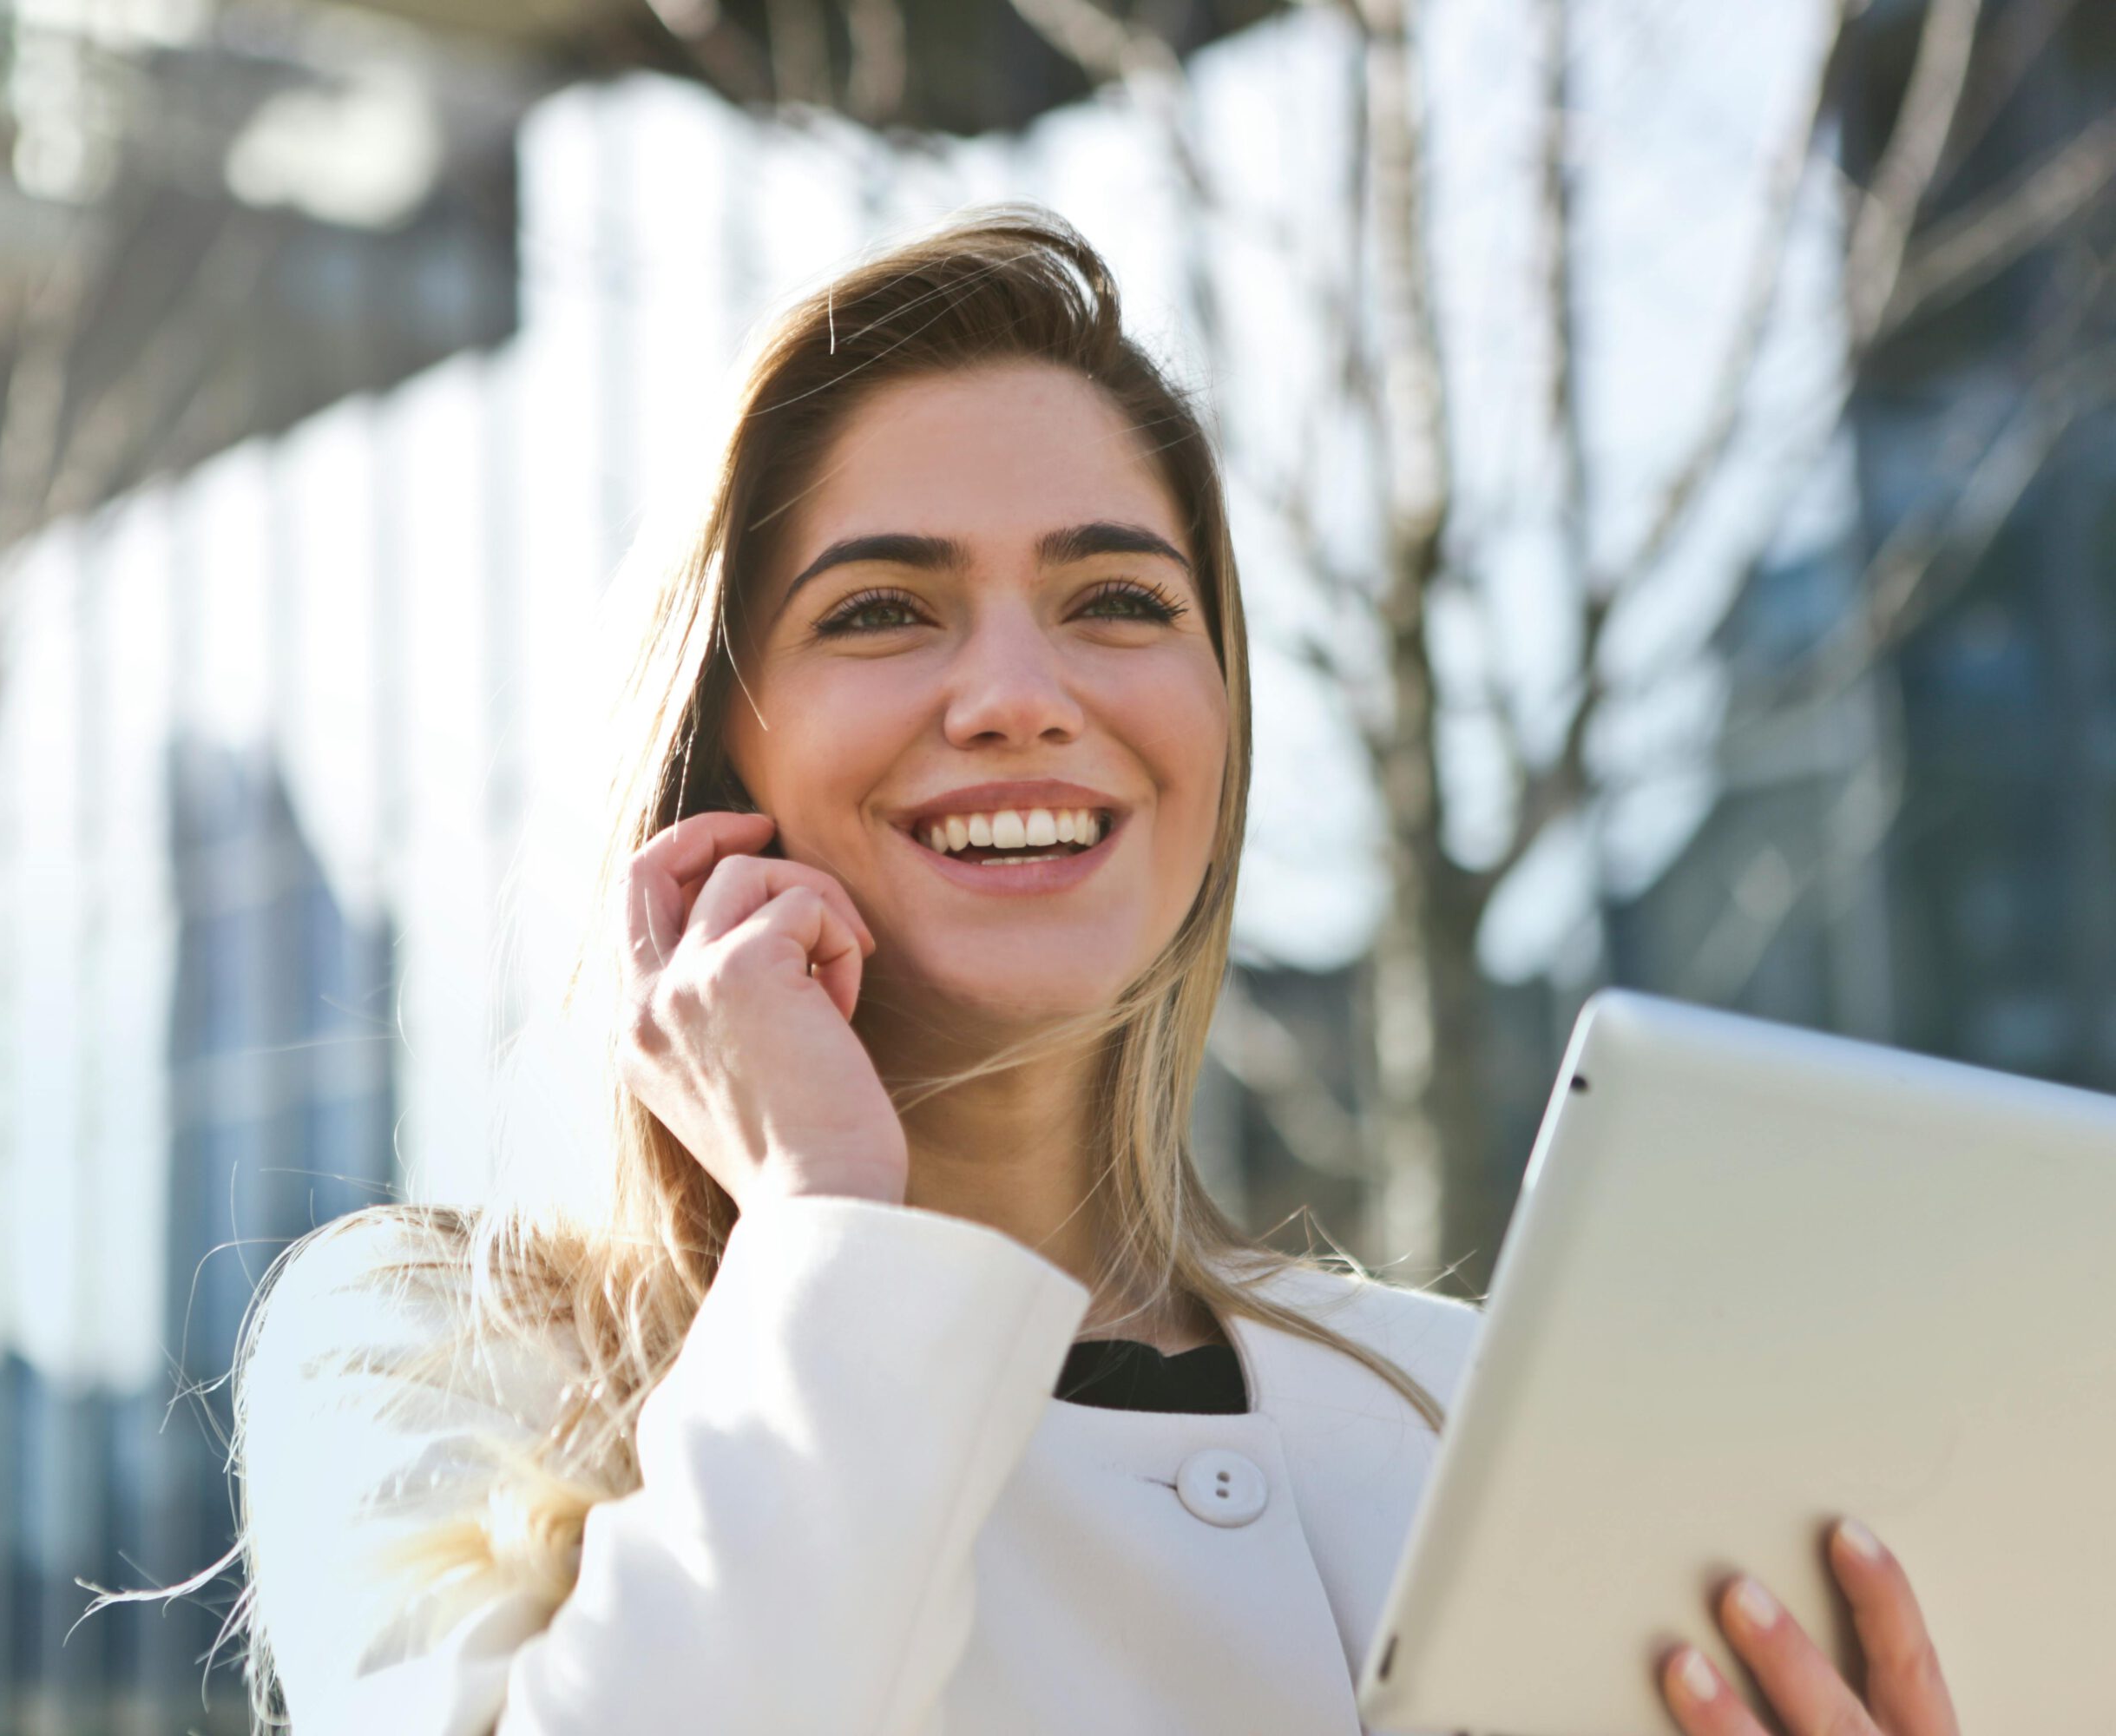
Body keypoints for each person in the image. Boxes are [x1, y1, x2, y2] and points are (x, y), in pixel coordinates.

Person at [228, 208, 1960, 1736]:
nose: (1017, 693)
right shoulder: (421, 1356)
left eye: (1120, 601)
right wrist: (834, 1217)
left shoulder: (1456, 1404)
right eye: (883, 610)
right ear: (712, 754)